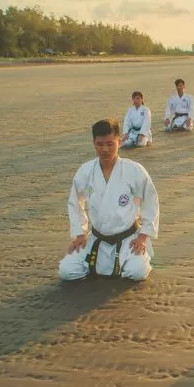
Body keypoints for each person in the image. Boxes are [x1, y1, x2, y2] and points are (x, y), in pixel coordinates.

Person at [59, 119, 160, 281]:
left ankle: (134, 261)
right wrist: (79, 234)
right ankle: (101, 264)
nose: (105, 149)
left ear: (119, 142)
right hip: (97, 239)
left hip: (128, 239)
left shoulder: (133, 170)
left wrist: (142, 237)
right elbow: (75, 203)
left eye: (110, 144)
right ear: (93, 143)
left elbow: (151, 202)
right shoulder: (85, 171)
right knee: (66, 271)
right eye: (100, 144)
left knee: (137, 273)